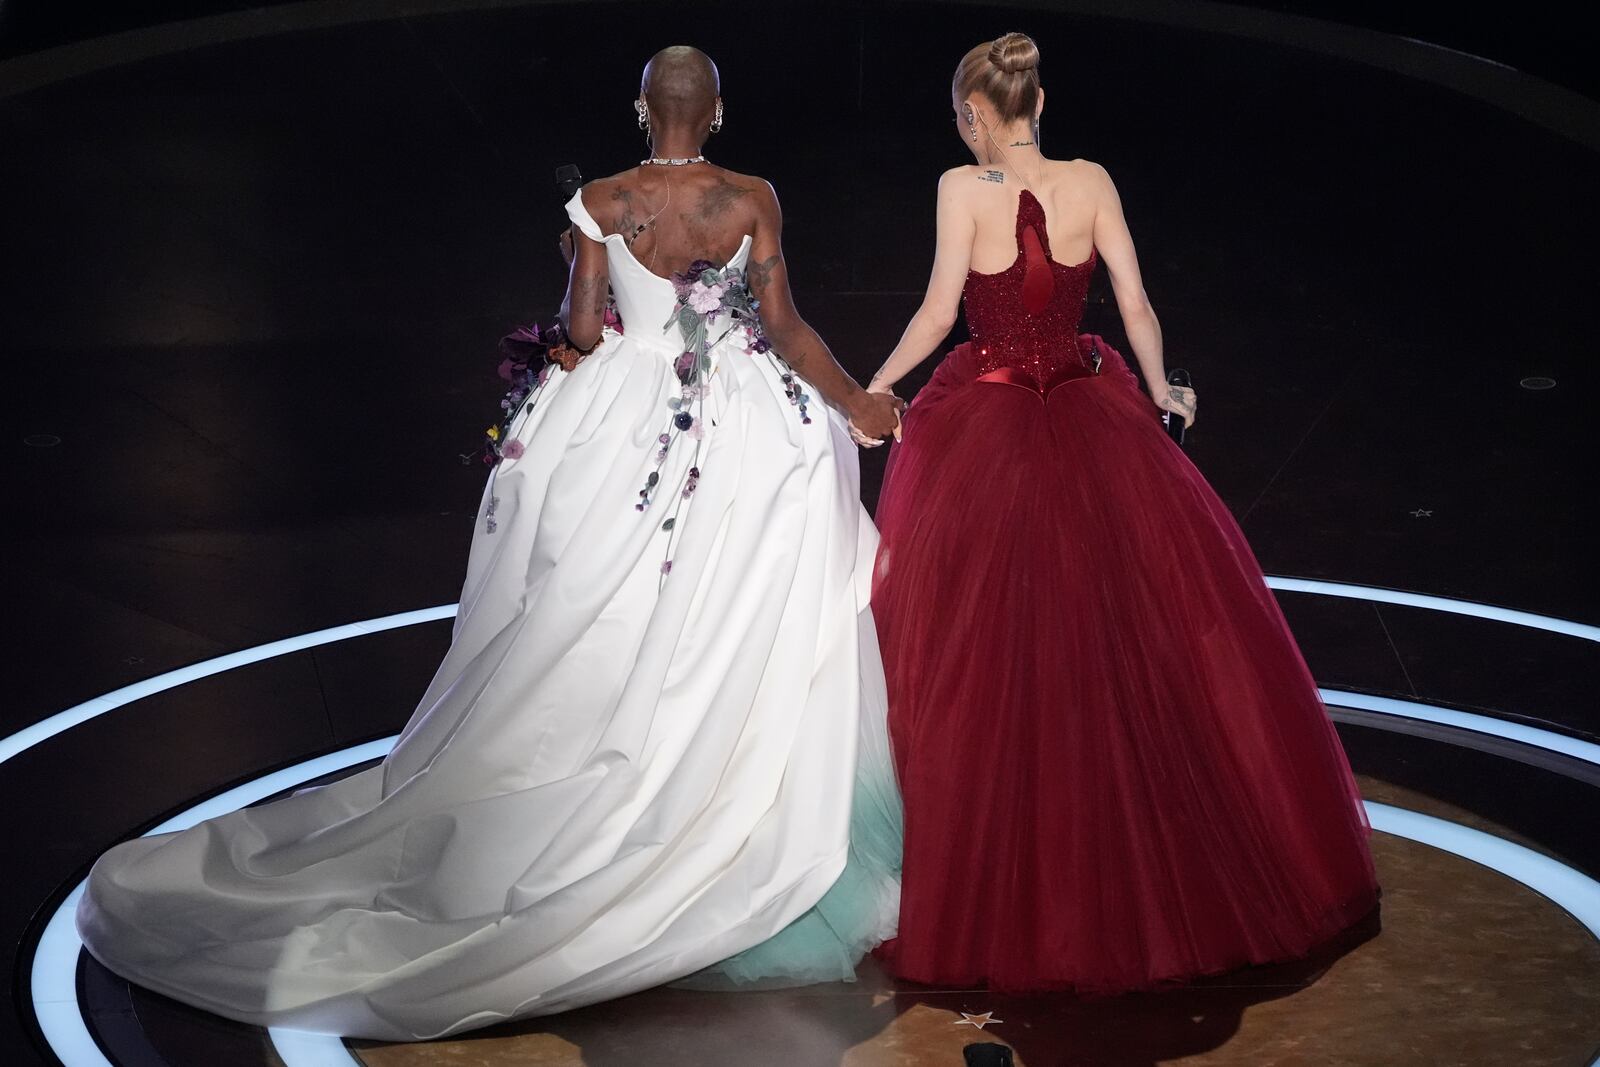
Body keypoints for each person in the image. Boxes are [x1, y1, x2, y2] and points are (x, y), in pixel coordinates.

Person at [76, 45, 904, 1041]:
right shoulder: (749, 198)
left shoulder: (603, 198)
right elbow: (782, 323)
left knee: (606, 599)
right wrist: (859, 406)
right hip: (744, 425)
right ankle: (742, 799)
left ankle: (624, 776)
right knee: (764, 569)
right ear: (716, 112)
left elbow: (587, 331)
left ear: (641, 109)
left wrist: (576, 272)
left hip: (634, 427)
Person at [856, 32, 1379, 994]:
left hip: (989, 429)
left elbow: (939, 314)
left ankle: (1006, 860)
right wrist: (1161, 387)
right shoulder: (1091, 179)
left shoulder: (959, 189)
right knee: (1121, 636)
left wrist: (872, 393)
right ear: (1041, 101)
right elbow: (1133, 300)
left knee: (994, 647)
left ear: (975, 111)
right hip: (1091, 408)